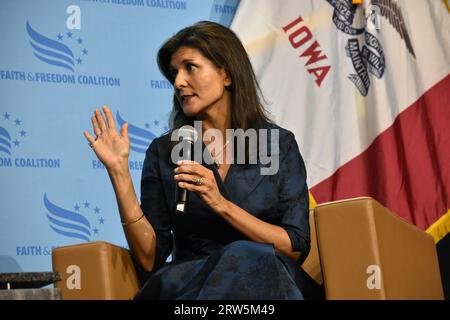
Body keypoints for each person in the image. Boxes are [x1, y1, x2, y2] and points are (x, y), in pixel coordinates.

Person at [84, 21, 322, 299]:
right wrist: (118, 172)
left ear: (227, 74)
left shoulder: (278, 145)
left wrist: (221, 204)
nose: (178, 82)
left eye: (190, 67)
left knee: (246, 255)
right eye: (174, 73)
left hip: (268, 281)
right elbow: (150, 258)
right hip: (192, 283)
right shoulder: (166, 150)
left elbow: (295, 245)